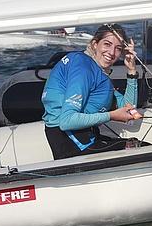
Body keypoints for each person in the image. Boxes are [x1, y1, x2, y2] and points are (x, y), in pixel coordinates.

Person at [41, 23, 143, 160]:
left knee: (139, 146)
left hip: (86, 137)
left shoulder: (96, 70)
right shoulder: (83, 68)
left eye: (118, 48)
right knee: (142, 149)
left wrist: (131, 70)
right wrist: (111, 115)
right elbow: (66, 121)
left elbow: (130, 109)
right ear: (95, 44)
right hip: (71, 141)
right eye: (107, 44)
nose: (112, 53)